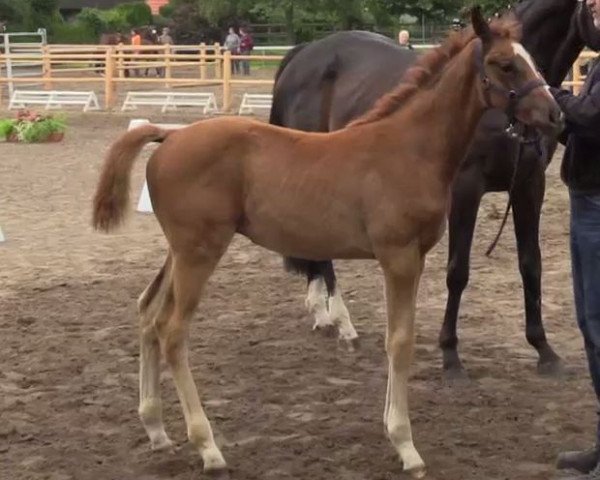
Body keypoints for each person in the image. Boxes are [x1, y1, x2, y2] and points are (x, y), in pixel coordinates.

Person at [551, 1, 600, 479]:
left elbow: (591, 116)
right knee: (591, 325)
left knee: (599, 324)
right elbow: (585, 130)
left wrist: (547, 94)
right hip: (587, 199)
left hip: (598, 208)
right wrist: (551, 123)